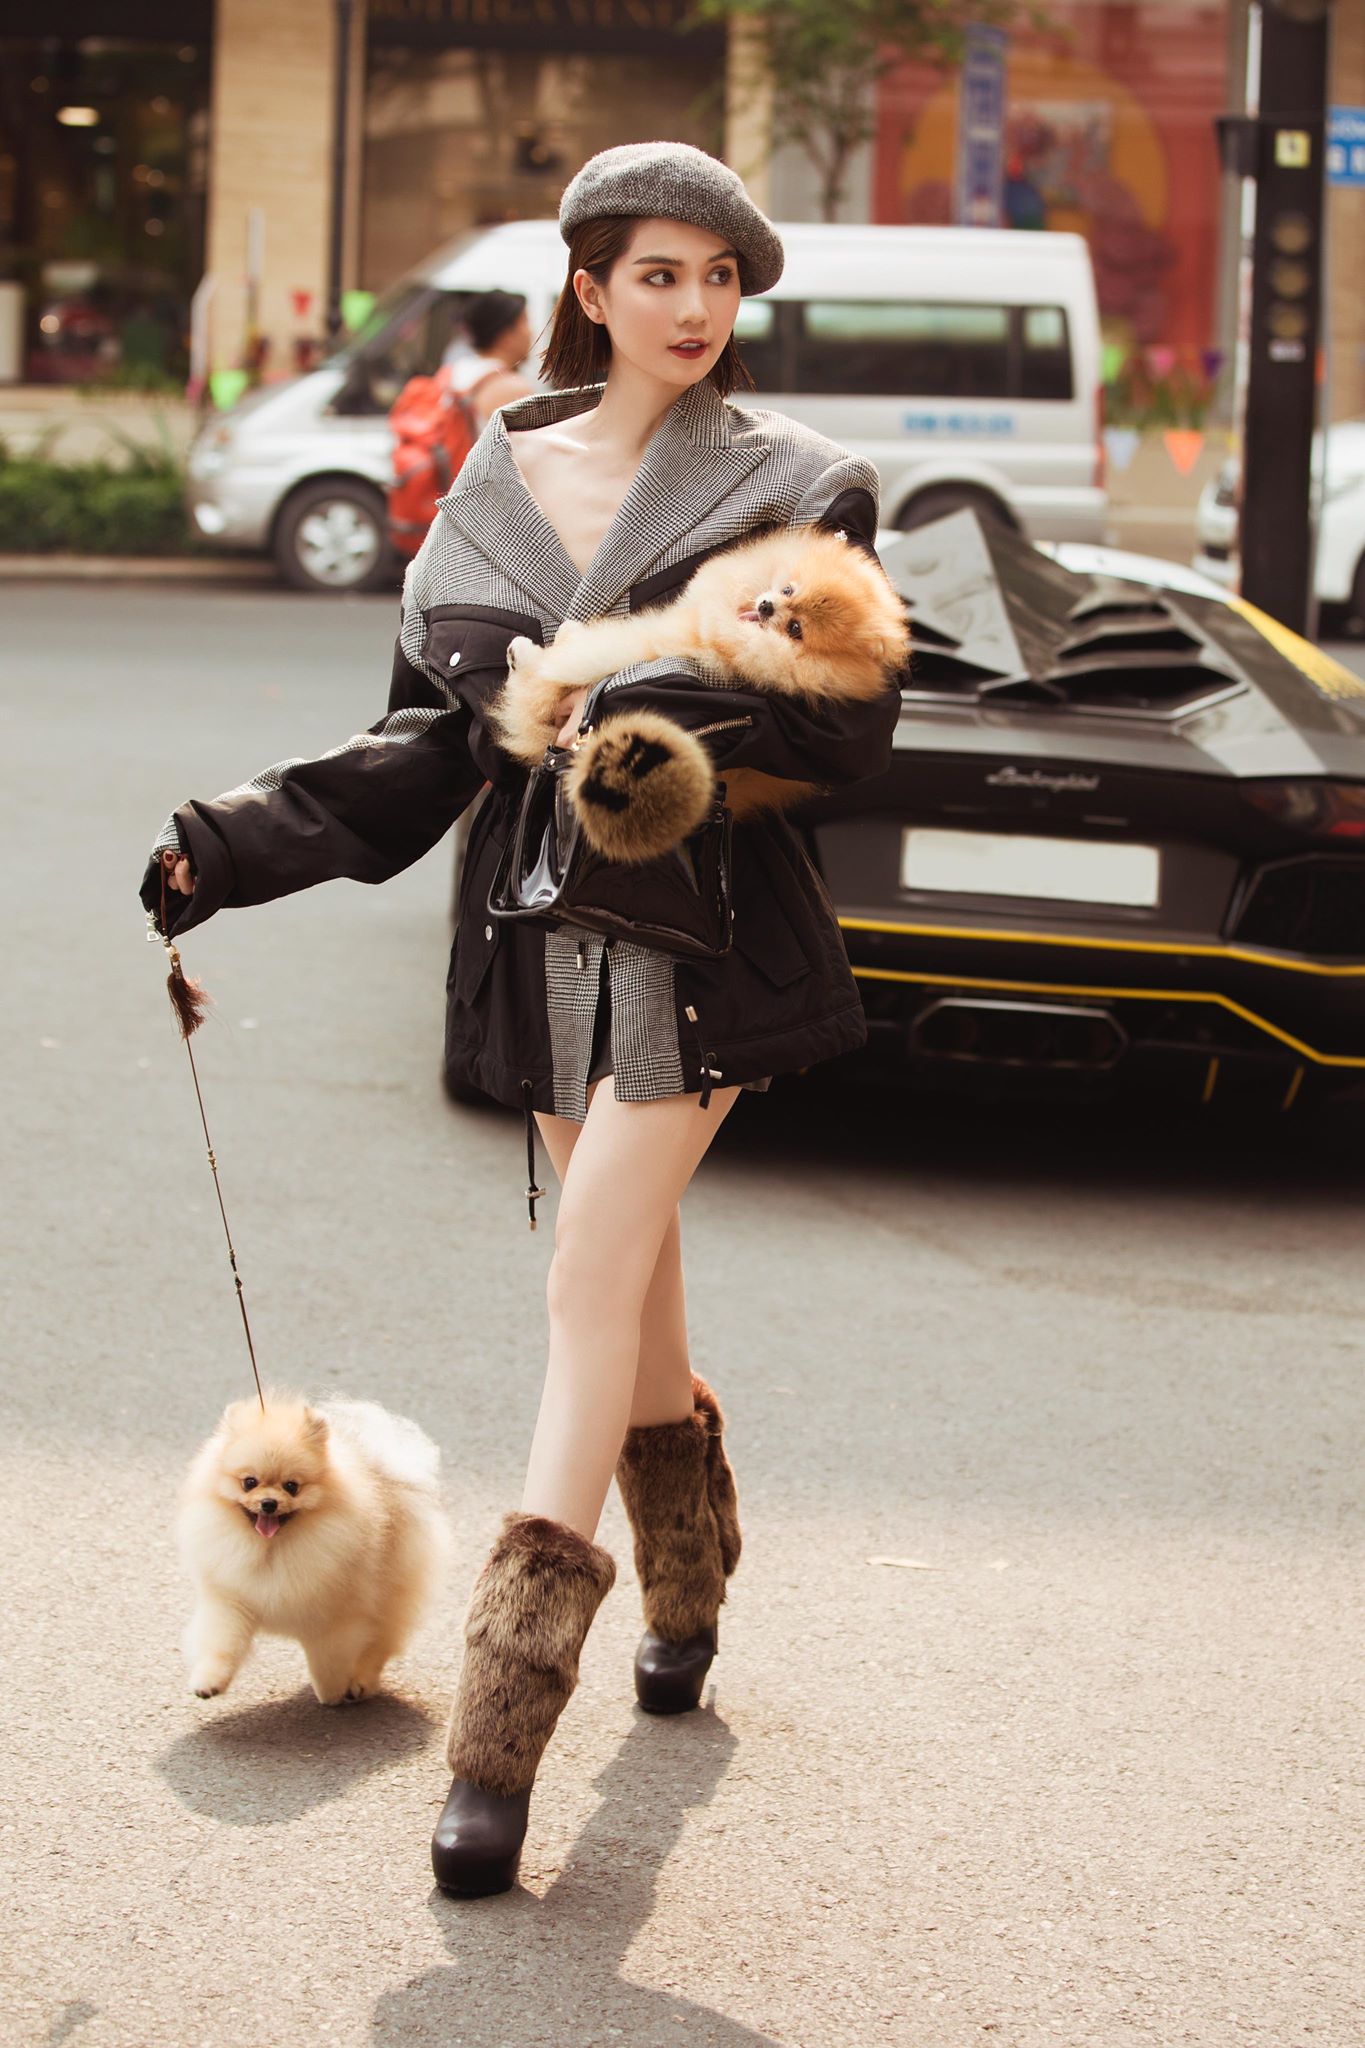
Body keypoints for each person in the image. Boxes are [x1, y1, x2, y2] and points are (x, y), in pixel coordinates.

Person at [140, 140, 903, 1899]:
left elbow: (849, 720)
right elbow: (421, 750)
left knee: (581, 1280)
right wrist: (225, 848)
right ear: (590, 286)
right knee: (632, 1288)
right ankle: (689, 1588)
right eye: (658, 274)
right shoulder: (494, 484)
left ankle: (499, 1732)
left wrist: (647, 681)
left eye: (718, 278)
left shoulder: (800, 483)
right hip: (535, 946)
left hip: (705, 938)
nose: (693, 307)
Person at [439, 287, 534, 428]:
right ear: (506, 335)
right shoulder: (512, 389)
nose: (530, 332)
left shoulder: (456, 370)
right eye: (525, 322)